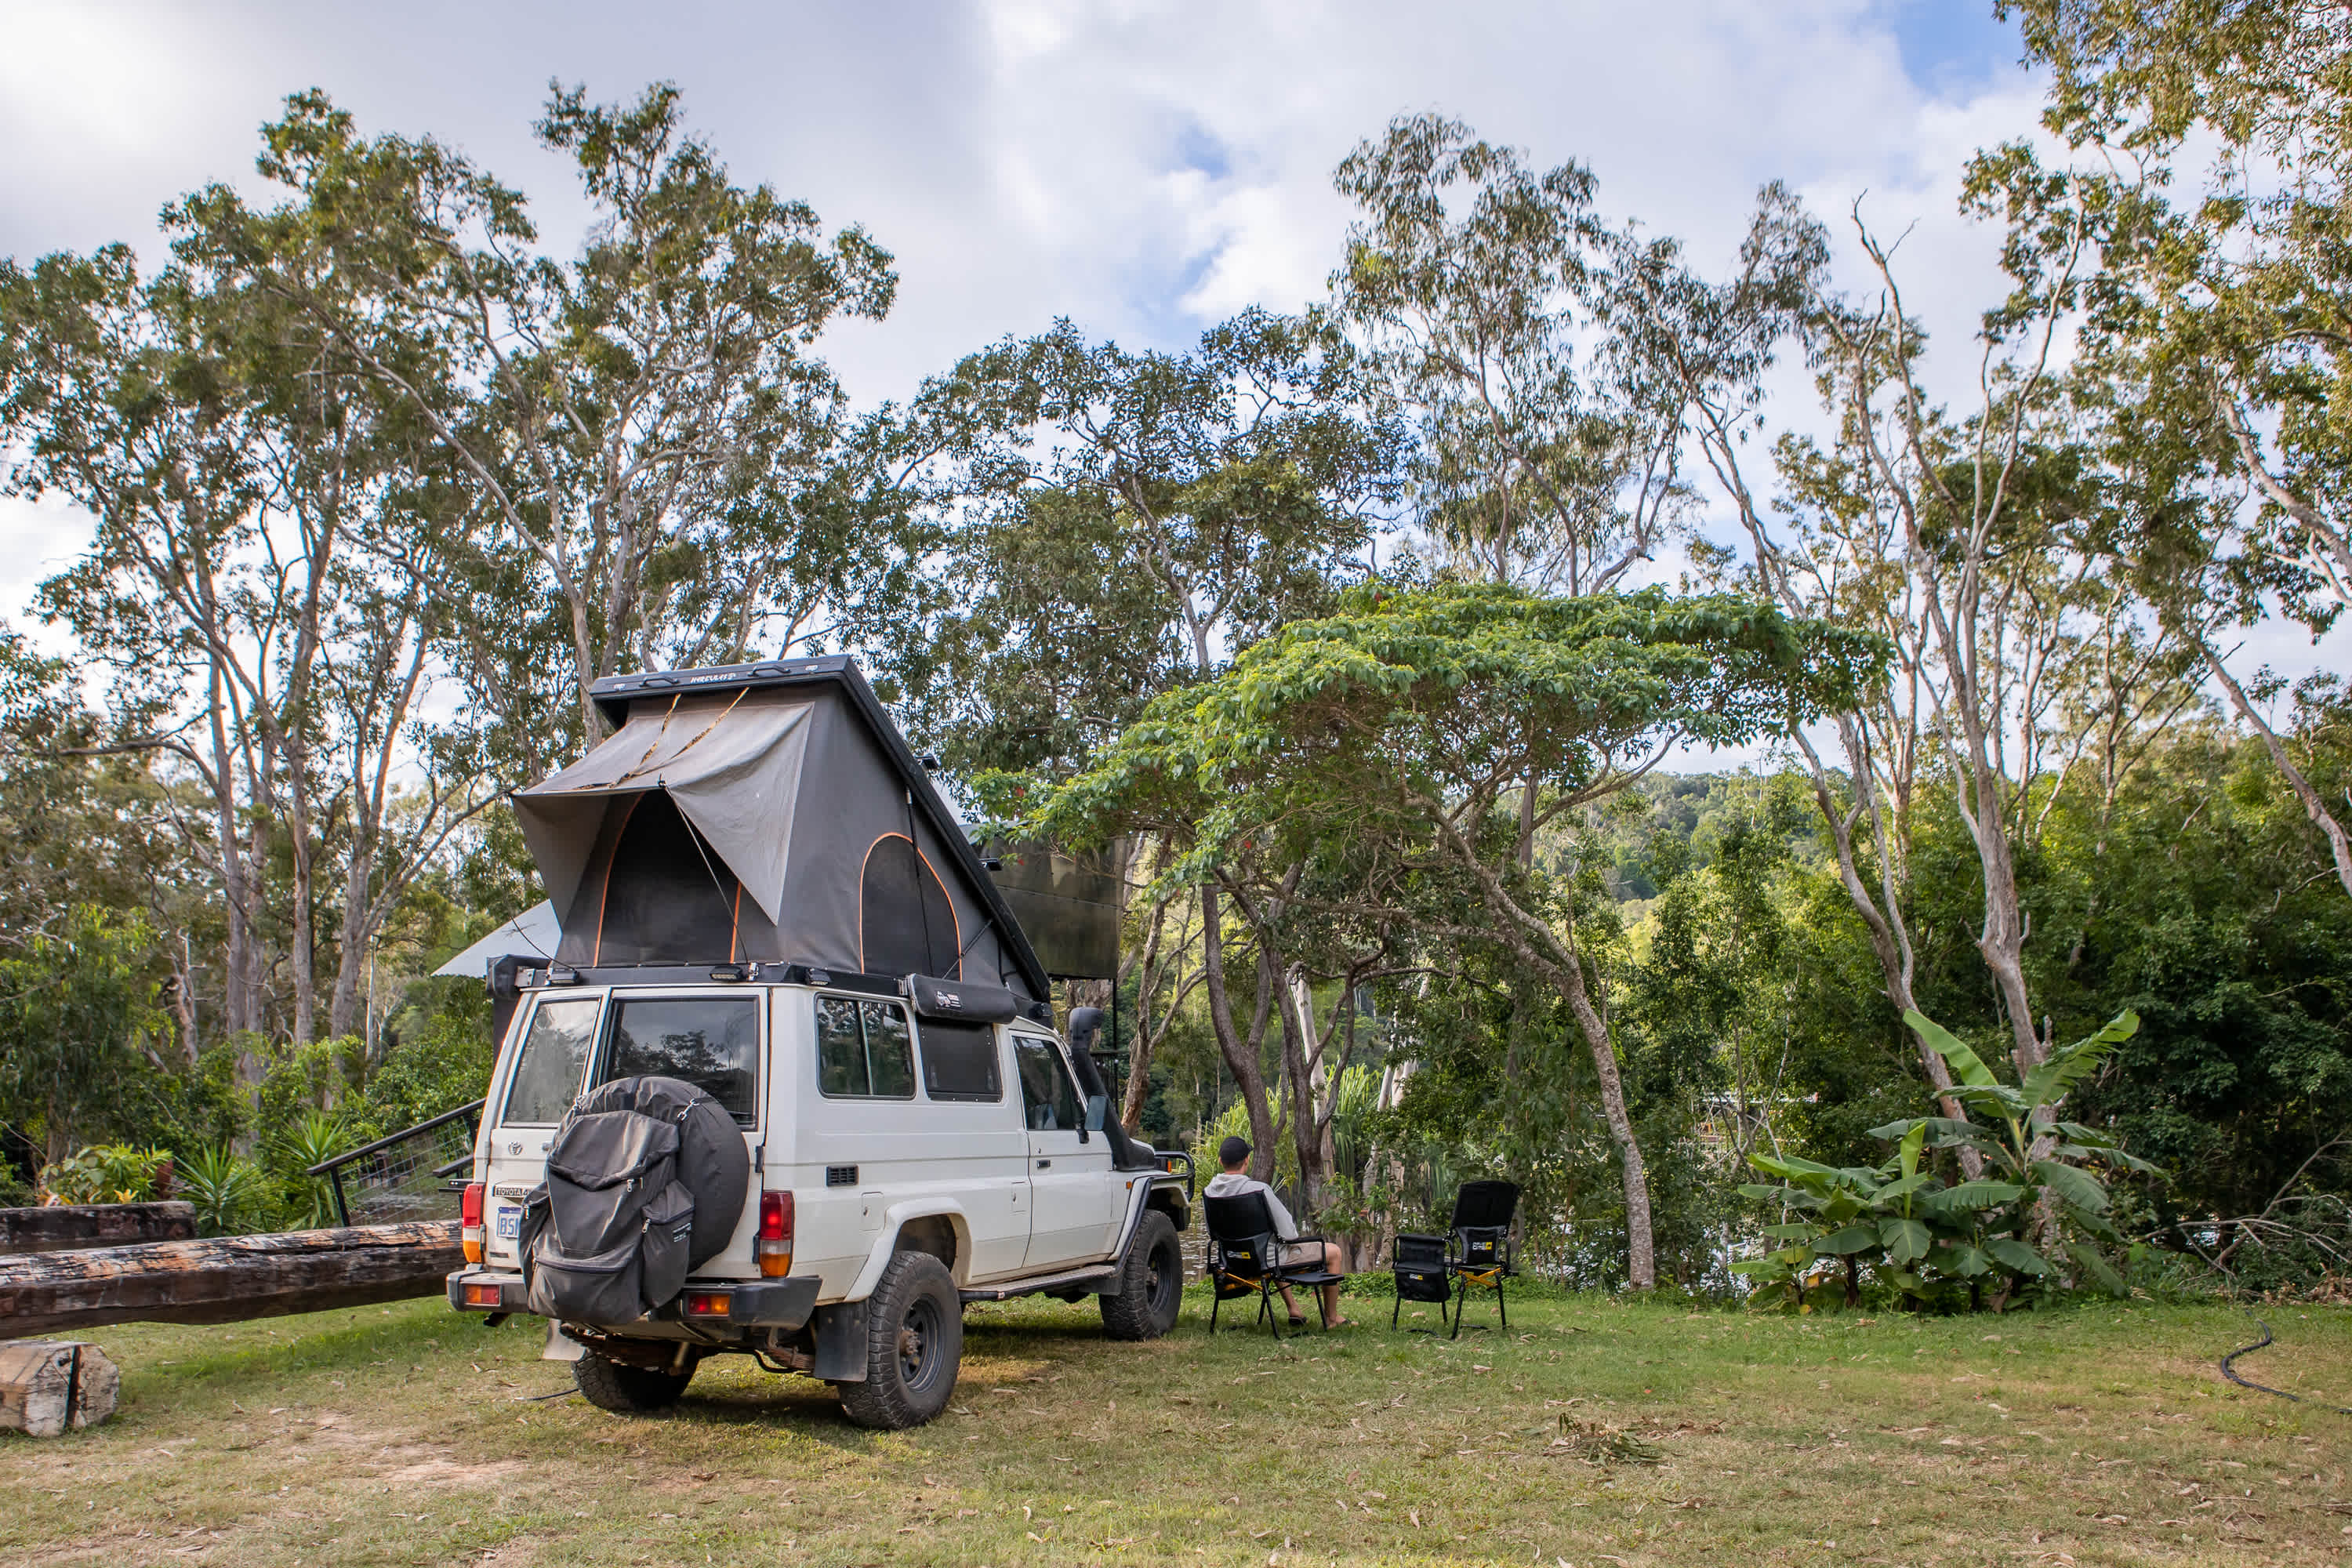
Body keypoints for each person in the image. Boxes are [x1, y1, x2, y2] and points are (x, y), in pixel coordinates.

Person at [1202, 1136, 1351, 1327]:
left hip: (1232, 1262)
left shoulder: (1208, 1193)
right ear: (1247, 1160)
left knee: (1269, 1247)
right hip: (1265, 1260)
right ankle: (1331, 1318)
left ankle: (1294, 1309)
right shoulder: (1258, 1190)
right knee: (1333, 1252)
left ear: (1220, 1161)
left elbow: (1212, 1233)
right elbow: (1289, 1234)